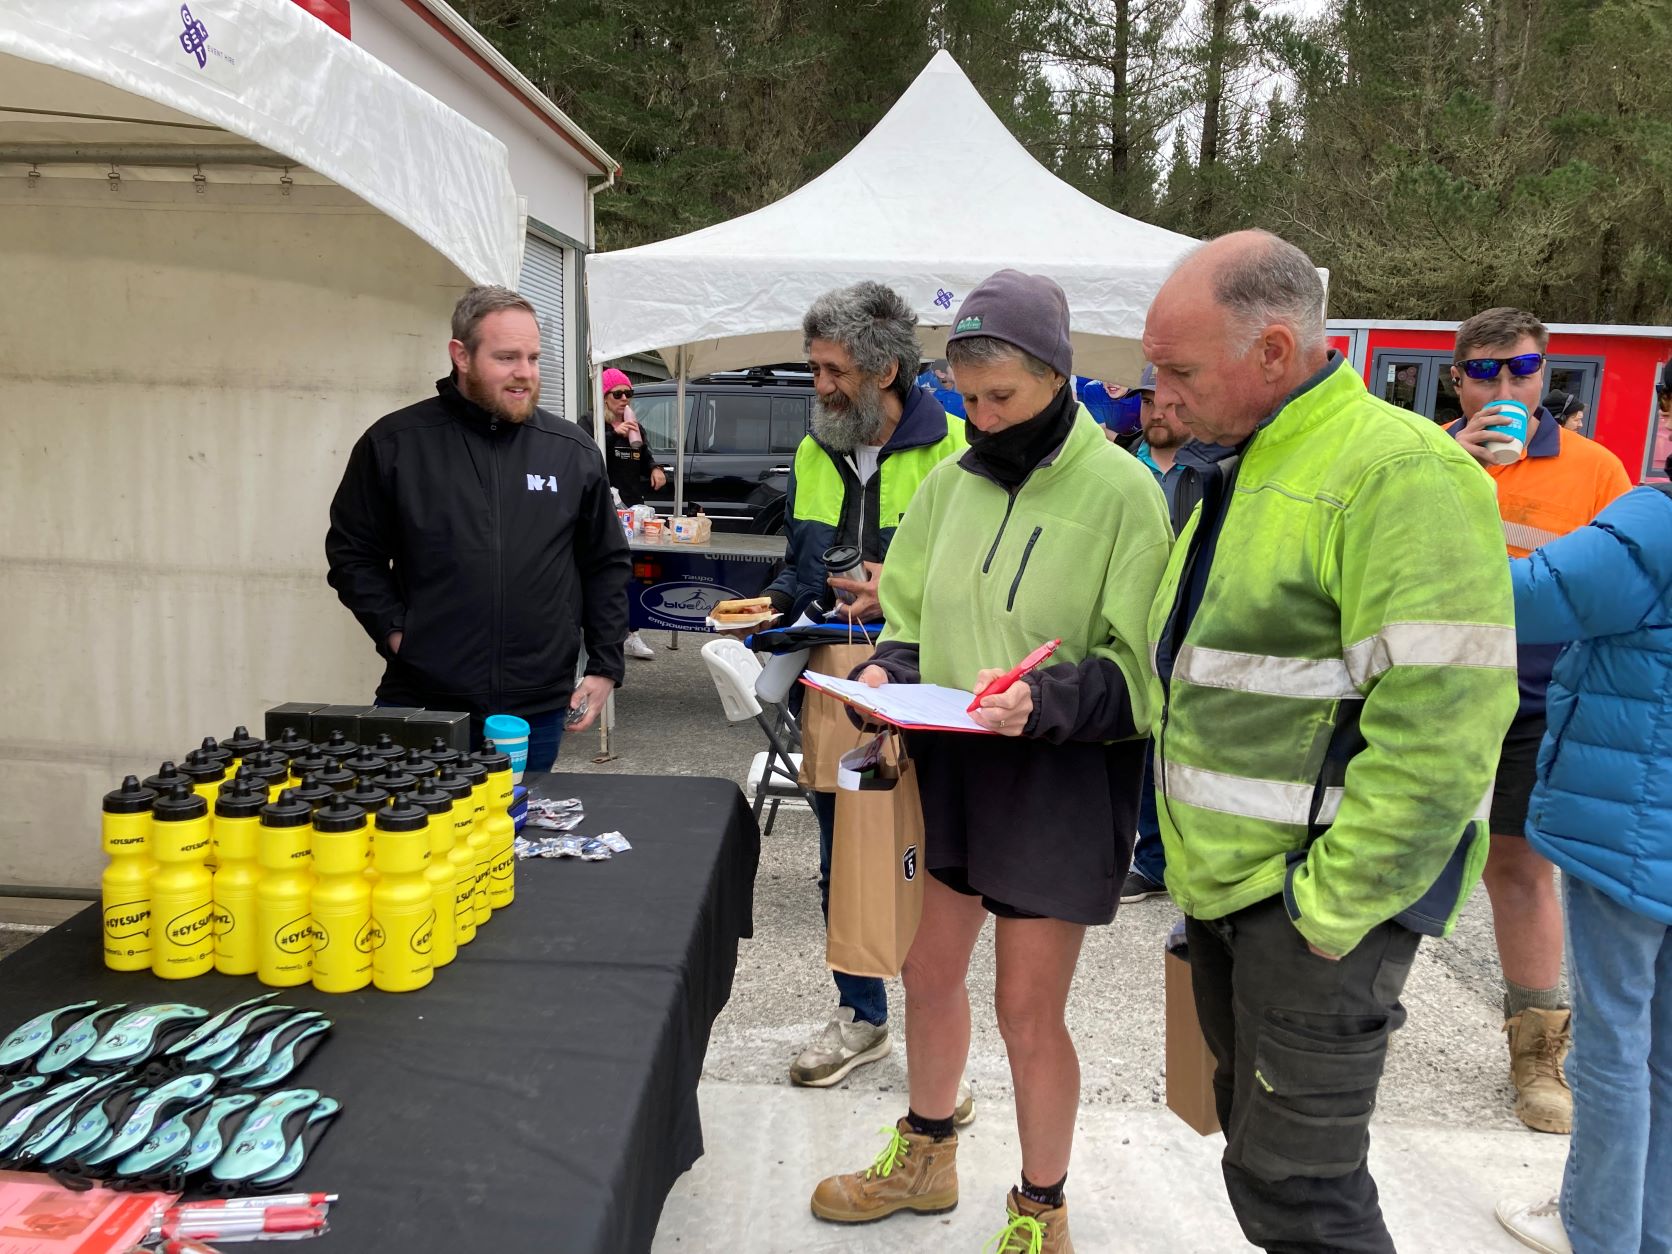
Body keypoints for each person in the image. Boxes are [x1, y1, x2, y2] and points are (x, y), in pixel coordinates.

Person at [1144, 231, 1517, 1253]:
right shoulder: (1250, 464)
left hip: (1307, 909)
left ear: (1272, 350)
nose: (1161, 393)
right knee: (1264, 1172)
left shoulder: (1398, 473)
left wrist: (1330, 909)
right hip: (1236, 895)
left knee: (1302, 1194)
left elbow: (1444, 729)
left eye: (1180, 369)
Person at [810, 270, 1172, 1252]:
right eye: (966, 399)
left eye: (1000, 398)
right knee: (928, 970)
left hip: (1058, 778)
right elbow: (913, 617)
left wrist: (1041, 701)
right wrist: (887, 675)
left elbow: (1143, 677)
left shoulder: (1124, 493)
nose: (979, 419)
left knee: (1024, 1006)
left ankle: (1040, 1209)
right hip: (954, 765)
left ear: (1057, 377)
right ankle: (926, 1156)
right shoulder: (948, 481)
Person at [763, 281, 966, 1091]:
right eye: (814, 367)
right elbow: (798, 561)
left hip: (916, 691)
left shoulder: (955, 448)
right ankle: (862, 1016)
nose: (820, 386)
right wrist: (771, 605)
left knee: (918, 860)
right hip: (829, 684)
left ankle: (935, 1033)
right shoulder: (817, 446)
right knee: (835, 857)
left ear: (885, 371)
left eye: (832, 370)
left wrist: (903, 592)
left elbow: (971, 585)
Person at [1448, 308, 1633, 1134]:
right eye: (1483, 371)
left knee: (1518, 867)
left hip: (1537, 697)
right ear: (1457, 379)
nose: (1503, 386)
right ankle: (1345, 1029)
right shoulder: (1420, 457)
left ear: (1544, 375)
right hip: (1428, 689)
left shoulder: (1598, 471)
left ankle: (1536, 1050)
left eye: (1519, 369)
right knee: (1386, 853)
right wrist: (1448, 464)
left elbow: (1623, 590)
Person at [325, 285, 629, 772]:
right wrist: (397, 632)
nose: (524, 373)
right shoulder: (396, 443)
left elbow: (605, 564)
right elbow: (352, 554)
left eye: (533, 357)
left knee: (512, 838)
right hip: (423, 702)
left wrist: (605, 665)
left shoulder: (570, 451)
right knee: (413, 839)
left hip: (535, 708)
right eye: (507, 357)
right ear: (460, 355)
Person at [1494, 470, 1672, 1254]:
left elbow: (1530, 595)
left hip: (1637, 825)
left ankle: (1597, 1230)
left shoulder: (1657, 519)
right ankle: (1650, 1229)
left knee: (1614, 1048)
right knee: (1662, 1056)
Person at [1122, 364, 1236, 904]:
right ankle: (1150, 858)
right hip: (1133, 628)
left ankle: (1177, 859)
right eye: (1147, 403)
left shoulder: (1215, 468)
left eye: (1167, 403)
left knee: (1184, 749)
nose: (1156, 413)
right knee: (1143, 747)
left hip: (1192, 629)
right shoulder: (1122, 466)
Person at [597, 366, 666, 661]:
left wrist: (654, 468)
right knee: (605, 575)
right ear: (603, 397)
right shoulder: (593, 424)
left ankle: (632, 634)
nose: (625, 399)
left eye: (629, 393)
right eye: (618, 394)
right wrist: (613, 435)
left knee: (633, 573)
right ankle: (601, 636)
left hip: (631, 509)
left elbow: (644, 454)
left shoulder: (635, 426)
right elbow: (589, 454)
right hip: (601, 510)